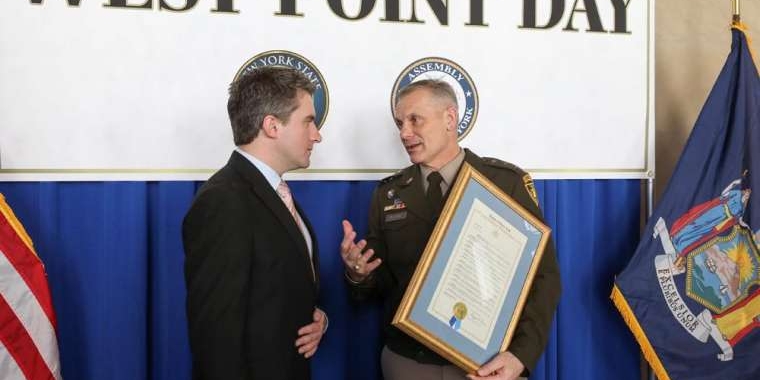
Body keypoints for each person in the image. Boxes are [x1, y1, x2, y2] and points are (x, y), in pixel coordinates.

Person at [340, 79, 561, 380]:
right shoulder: (389, 194)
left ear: (450, 118)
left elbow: (543, 278)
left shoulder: (504, 184)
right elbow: (382, 285)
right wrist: (359, 274)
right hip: (409, 362)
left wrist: (520, 356)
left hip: (487, 365)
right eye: (399, 123)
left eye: (415, 120)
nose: (404, 133)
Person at [183, 66, 327, 380]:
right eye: (308, 121)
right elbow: (215, 336)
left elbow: (276, 291)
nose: (317, 135)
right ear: (272, 126)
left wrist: (318, 320)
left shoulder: (274, 192)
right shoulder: (224, 201)